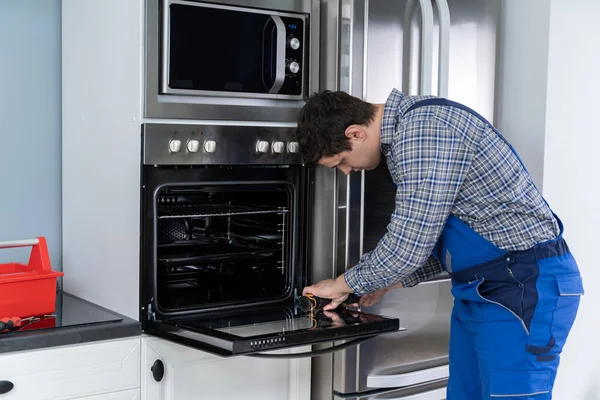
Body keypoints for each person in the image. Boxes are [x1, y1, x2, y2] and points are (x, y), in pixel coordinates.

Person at [296, 88, 584, 400]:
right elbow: (450, 239)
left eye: (342, 161)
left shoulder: (424, 131)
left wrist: (342, 283)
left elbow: (409, 245)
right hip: (483, 289)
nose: (347, 171)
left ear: (355, 133)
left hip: (524, 289)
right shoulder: (409, 136)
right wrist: (389, 282)